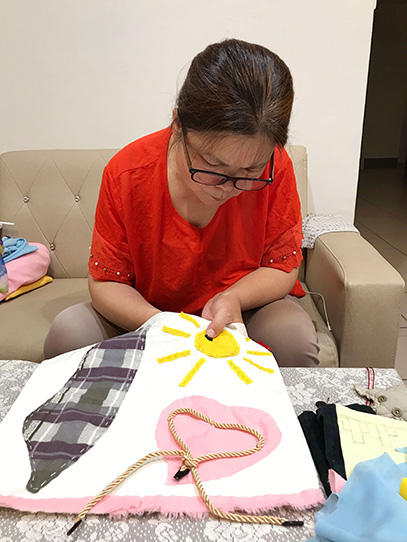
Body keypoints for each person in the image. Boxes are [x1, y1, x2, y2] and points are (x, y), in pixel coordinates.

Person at [44, 38, 319, 367]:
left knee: (292, 337)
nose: (227, 188)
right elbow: (107, 283)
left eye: (249, 171)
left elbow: (281, 267)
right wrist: (162, 325)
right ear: (178, 125)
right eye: (212, 166)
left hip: (241, 309)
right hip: (149, 312)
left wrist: (233, 298)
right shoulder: (127, 174)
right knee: (69, 332)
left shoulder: (276, 168)